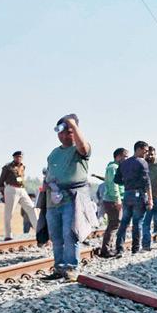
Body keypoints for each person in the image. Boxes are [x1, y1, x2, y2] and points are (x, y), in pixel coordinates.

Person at [43, 115, 93, 275]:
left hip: (73, 198)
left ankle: (71, 268)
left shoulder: (80, 149)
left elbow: (83, 147)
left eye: (69, 132)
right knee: (56, 236)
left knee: (70, 234)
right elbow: (49, 172)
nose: (64, 136)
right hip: (54, 199)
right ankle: (59, 268)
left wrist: (72, 124)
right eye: (62, 132)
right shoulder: (54, 153)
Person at [113, 141, 153, 256]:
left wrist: (128, 181)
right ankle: (135, 249)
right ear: (138, 149)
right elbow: (147, 182)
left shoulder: (124, 163)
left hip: (127, 194)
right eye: (145, 151)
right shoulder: (142, 163)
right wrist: (150, 199)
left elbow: (117, 180)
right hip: (139, 195)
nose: (146, 153)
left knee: (124, 222)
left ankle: (119, 249)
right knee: (137, 223)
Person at [0, 151, 38, 241]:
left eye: (20, 157)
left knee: (32, 208)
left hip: (22, 189)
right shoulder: (7, 167)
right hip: (11, 189)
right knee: (9, 213)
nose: (18, 158)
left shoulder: (23, 166)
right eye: (17, 157)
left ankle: (38, 231)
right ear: (14, 157)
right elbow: (1, 181)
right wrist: (3, 193)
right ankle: (8, 235)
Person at [98, 148, 126, 258]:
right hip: (112, 200)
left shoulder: (116, 167)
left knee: (114, 224)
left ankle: (108, 248)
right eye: (125, 156)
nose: (126, 159)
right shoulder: (113, 168)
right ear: (118, 156)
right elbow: (114, 185)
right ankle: (106, 250)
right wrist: (117, 200)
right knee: (114, 224)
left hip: (113, 199)